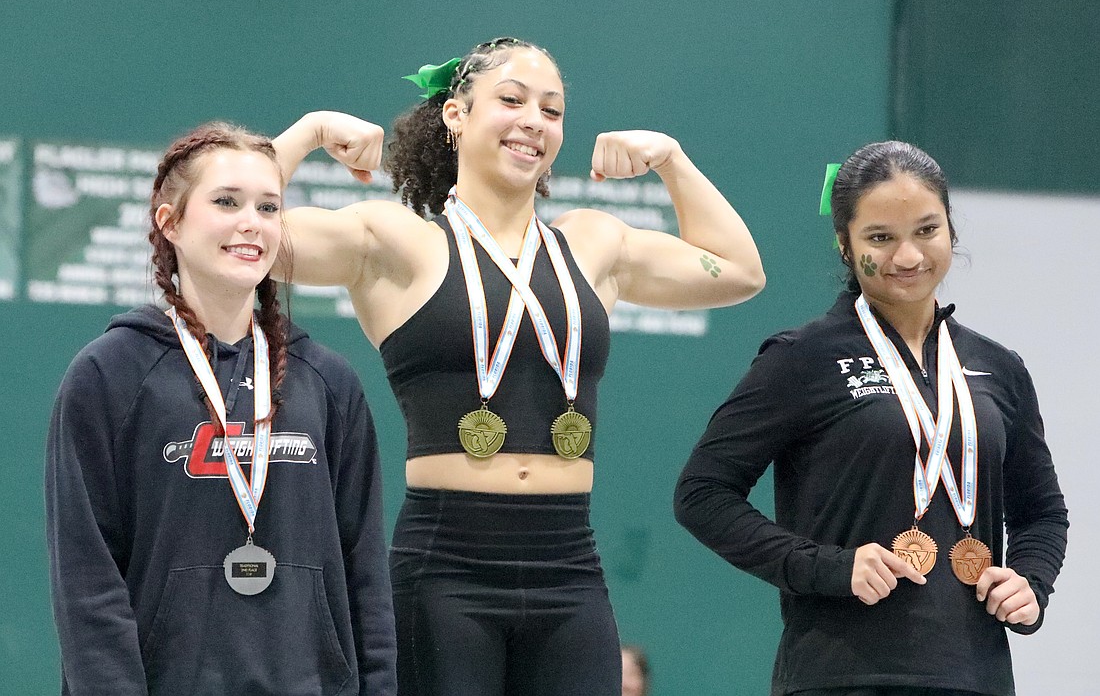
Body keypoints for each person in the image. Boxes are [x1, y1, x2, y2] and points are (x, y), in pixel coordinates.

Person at [271, 37, 765, 695]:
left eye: (551, 110)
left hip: (569, 565)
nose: (534, 120)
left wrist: (672, 161)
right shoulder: (396, 241)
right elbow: (239, 235)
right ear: (455, 114)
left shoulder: (593, 243)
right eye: (511, 100)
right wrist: (308, 133)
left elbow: (740, 271)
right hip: (445, 569)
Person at [674, 141, 1069, 696]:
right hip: (839, 674)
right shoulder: (802, 357)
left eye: (926, 230)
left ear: (951, 229)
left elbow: (1042, 512)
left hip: (974, 675)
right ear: (845, 245)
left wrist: (1030, 581)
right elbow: (702, 493)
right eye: (880, 238)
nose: (908, 256)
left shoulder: (998, 367)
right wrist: (827, 567)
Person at [45, 122, 397, 695]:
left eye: (268, 207)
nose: (251, 222)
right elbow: (88, 582)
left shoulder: (329, 383)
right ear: (171, 222)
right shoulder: (109, 374)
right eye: (226, 202)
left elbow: (366, 575)